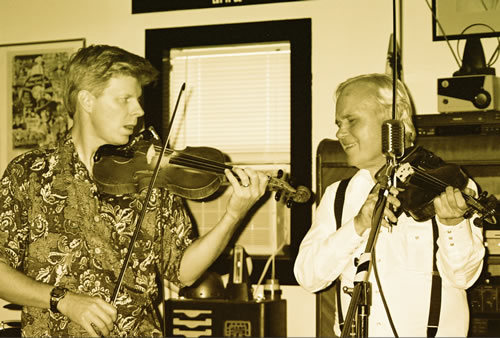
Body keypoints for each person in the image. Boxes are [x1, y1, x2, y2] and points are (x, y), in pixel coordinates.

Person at [0, 44, 269, 337]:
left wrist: (233, 215)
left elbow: (184, 272)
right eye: (124, 99)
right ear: (87, 101)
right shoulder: (28, 172)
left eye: (137, 99)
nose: (138, 110)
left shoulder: (151, 174)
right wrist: (63, 301)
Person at [294, 73, 485, 337]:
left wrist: (453, 225)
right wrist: (358, 225)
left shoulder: (450, 184)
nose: (340, 132)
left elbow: (464, 278)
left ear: (394, 121)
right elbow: (308, 276)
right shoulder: (337, 195)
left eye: (352, 121)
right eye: (338, 123)